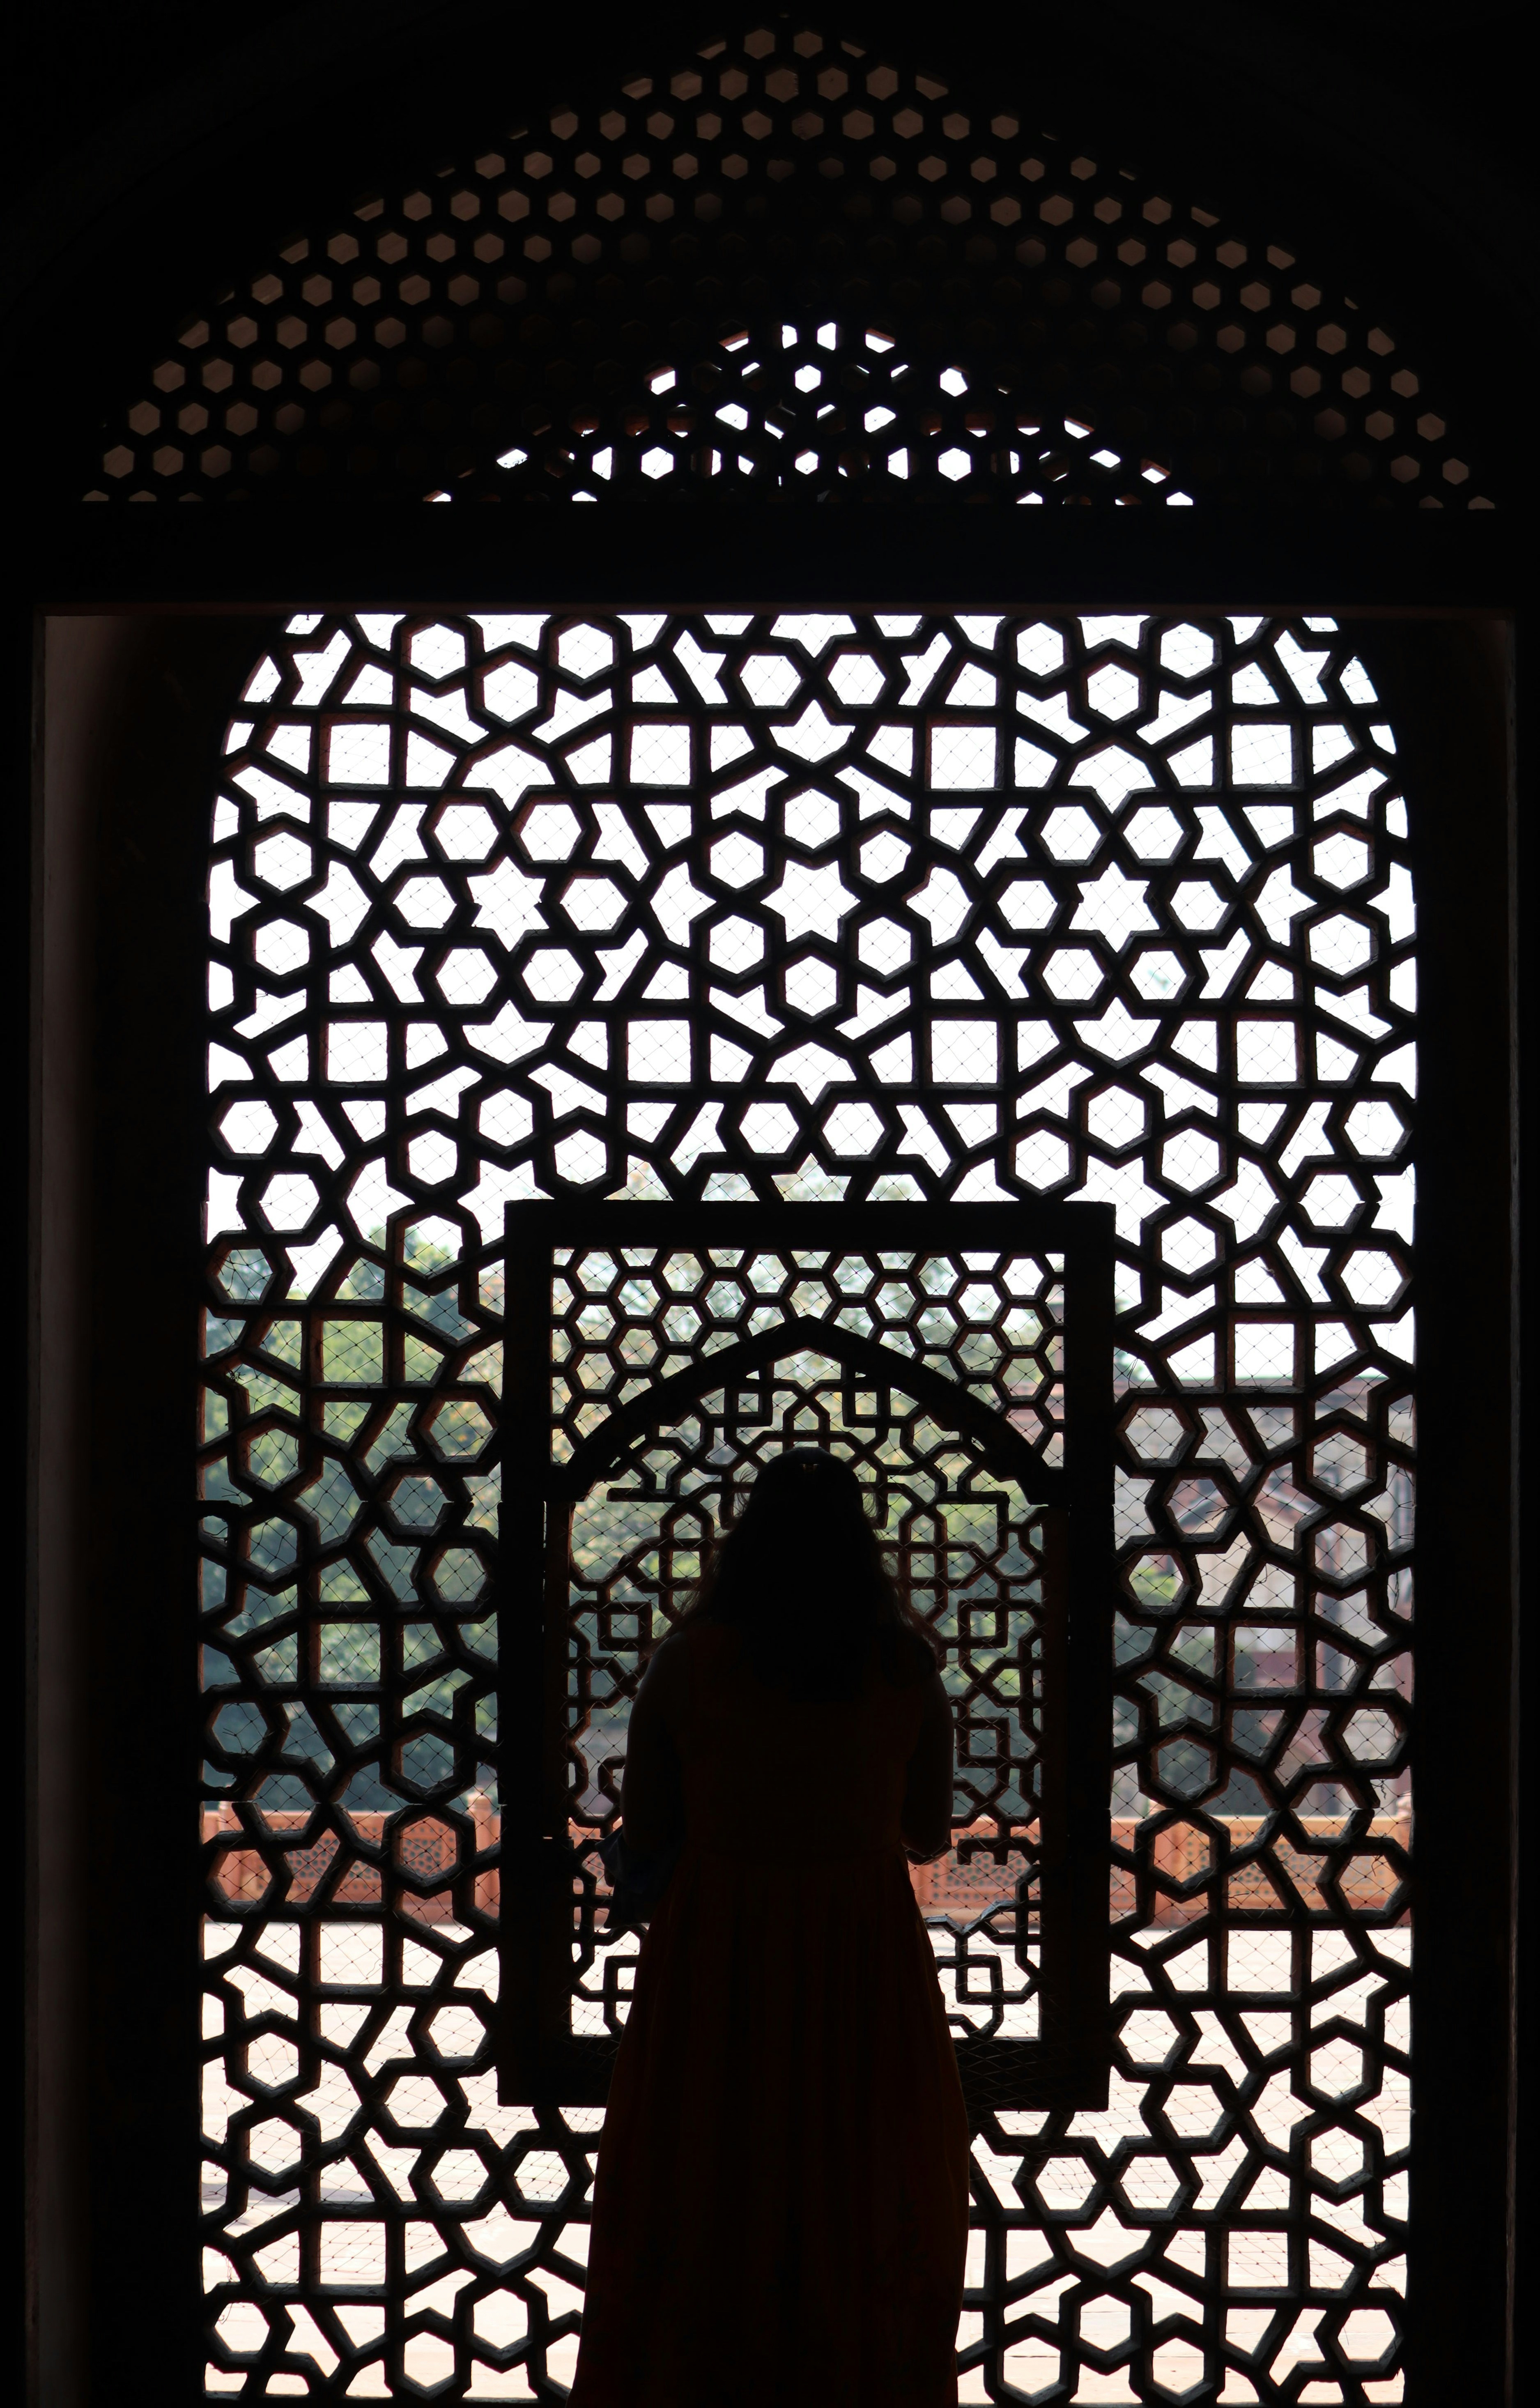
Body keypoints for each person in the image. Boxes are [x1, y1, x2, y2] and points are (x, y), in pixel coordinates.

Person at [569, 1447, 970, 2408]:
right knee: (864, 2186)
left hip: (720, 1958)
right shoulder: (904, 1667)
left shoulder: (691, 1663)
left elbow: (652, 1831)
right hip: (860, 1955)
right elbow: (925, 1833)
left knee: (706, 2176)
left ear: (743, 1542)